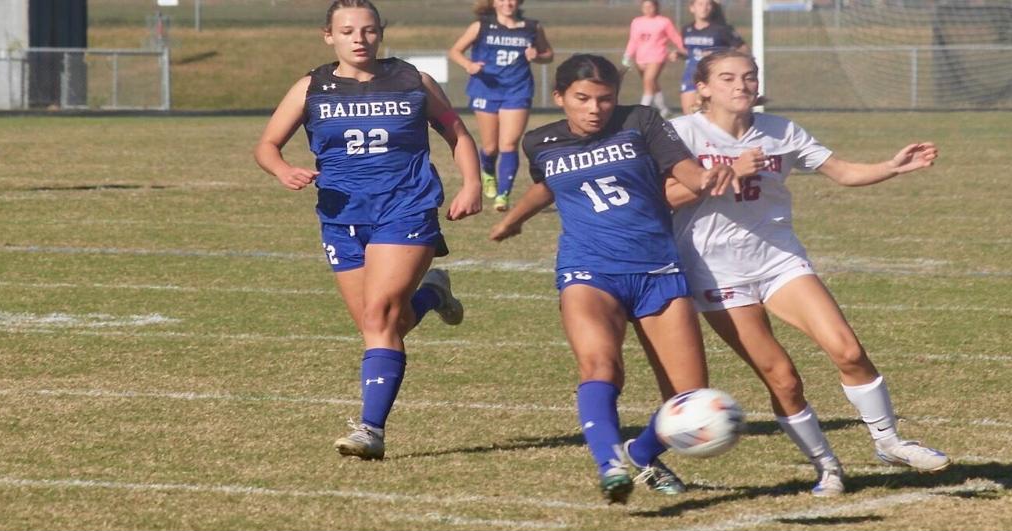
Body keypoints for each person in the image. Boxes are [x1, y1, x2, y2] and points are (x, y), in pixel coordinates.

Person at [665, 50, 950, 497]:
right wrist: (725, 173)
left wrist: (892, 166)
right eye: (727, 78)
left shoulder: (781, 131)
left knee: (848, 350)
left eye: (749, 77)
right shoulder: (681, 133)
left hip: (778, 260)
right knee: (782, 377)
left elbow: (842, 172)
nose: (741, 85)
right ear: (703, 88)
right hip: (715, 272)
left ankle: (889, 442)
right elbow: (662, 197)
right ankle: (827, 467)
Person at [488, 54, 735, 504]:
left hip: (657, 270)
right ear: (559, 96)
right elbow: (548, 183)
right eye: (582, 99)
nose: (595, 109)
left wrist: (706, 177)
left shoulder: (640, 121)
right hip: (589, 270)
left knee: (688, 397)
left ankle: (640, 454)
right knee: (601, 365)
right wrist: (515, 218)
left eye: (605, 99)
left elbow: (684, 170)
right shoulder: (539, 142)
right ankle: (610, 465)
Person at [254, 0, 483, 461]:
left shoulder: (413, 81)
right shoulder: (311, 87)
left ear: (380, 33)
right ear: (329, 36)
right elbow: (267, 145)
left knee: (379, 318)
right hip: (341, 218)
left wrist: (472, 183)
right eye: (347, 31)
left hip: (406, 208)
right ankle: (432, 294)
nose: (359, 39)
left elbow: (457, 133)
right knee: (378, 324)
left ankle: (371, 430)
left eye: (369, 30)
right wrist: (282, 169)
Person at [447, 0, 553, 213]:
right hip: (486, 89)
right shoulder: (481, 26)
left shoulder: (532, 27)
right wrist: (469, 65)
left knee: (509, 144)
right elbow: (455, 51)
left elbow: (548, 55)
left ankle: (503, 195)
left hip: (517, 90)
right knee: (490, 147)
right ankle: (488, 172)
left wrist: (537, 56)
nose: (508, 3)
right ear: (494, 3)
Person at [678, 0, 744, 115]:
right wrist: (679, 55)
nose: (704, 8)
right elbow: (691, 55)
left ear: (713, 8)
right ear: (692, 8)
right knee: (689, 114)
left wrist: (716, 53)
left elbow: (743, 50)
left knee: (714, 115)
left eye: (708, 4)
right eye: (700, 4)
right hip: (691, 75)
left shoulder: (722, 29)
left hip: (714, 77)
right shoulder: (686, 30)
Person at [621, 0, 685, 116]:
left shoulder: (664, 22)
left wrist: (684, 49)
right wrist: (627, 55)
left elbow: (675, 37)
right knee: (651, 84)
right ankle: (663, 109)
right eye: (645, 7)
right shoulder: (637, 22)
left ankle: (642, 111)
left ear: (656, 7)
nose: (648, 9)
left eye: (650, 6)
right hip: (641, 58)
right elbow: (633, 40)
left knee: (648, 81)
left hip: (657, 56)